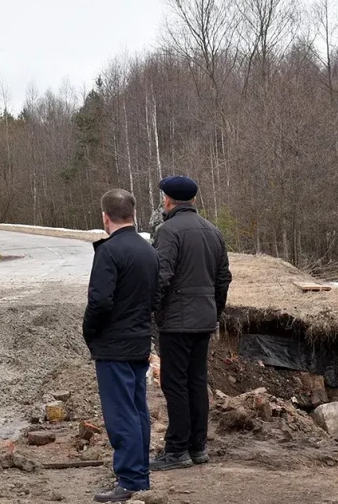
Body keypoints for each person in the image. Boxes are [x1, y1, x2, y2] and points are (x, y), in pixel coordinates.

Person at [149, 176, 232, 471]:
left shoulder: (168, 231)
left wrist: (150, 312)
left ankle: (176, 450)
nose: (163, 203)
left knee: (175, 384)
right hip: (204, 319)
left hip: (176, 322)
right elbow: (223, 279)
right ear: (193, 201)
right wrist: (214, 311)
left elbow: (161, 276)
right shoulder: (214, 231)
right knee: (197, 383)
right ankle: (198, 447)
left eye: (163, 199)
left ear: (169, 201)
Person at [84, 188, 160, 502]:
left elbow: (100, 301)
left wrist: (89, 331)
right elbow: (156, 298)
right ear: (133, 214)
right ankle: (138, 475)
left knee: (121, 414)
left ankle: (129, 480)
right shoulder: (149, 251)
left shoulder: (109, 252)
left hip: (114, 345)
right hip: (139, 340)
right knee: (137, 410)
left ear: (105, 217)